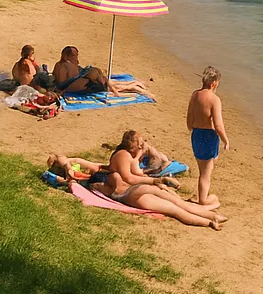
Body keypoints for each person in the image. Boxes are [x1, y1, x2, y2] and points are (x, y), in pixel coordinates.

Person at [96, 131, 225, 228]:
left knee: (177, 207)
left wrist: (140, 157)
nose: (142, 147)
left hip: (135, 192)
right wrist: (155, 181)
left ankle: (212, 218)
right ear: (132, 146)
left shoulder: (126, 157)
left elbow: (135, 173)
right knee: (177, 207)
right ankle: (211, 219)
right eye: (140, 144)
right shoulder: (123, 155)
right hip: (132, 192)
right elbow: (129, 177)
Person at [186, 66, 229, 207]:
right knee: (206, 174)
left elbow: (189, 116)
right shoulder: (214, 100)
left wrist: (191, 129)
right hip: (209, 136)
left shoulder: (195, 95)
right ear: (214, 83)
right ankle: (204, 200)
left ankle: (202, 196)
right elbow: (218, 125)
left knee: (203, 169)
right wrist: (225, 140)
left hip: (196, 134)